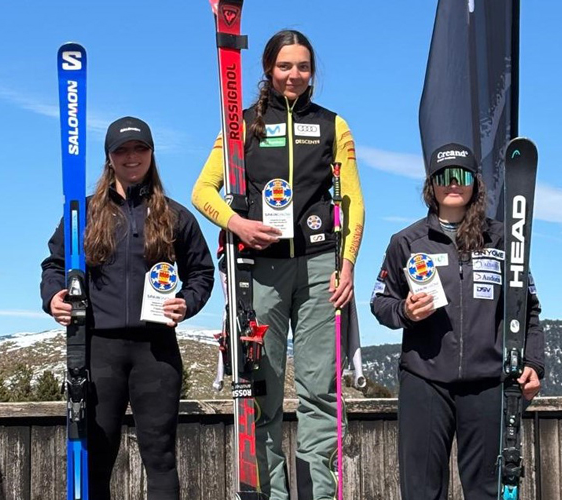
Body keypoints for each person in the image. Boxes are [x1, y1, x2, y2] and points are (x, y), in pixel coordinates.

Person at [192, 29, 365, 500]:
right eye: (285, 66)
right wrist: (238, 225)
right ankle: (272, 494)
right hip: (258, 271)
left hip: (318, 269)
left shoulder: (334, 125)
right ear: (269, 69)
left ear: (312, 72)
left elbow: (352, 201)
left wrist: (346, 264)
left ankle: (320, 495)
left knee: (319, 392)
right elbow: (202, 191)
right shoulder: (241, 124)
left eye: (303, 67)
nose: (294, 75)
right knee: (261, 393)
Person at [40, 116, 215, 500]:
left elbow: (202, 271)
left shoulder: (175, 215)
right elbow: (55, 265)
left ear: (152, 154)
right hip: (98, 348)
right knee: (98, 457)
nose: (131, 157)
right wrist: (53, 296)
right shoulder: (81, 213)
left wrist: (187, 303)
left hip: (156, 352)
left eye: (140, 149)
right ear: (109, 158)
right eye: (122, 150)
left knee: (161, 456)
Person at [370, 143, 545, 500]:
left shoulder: (502, 239)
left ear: (475, 183)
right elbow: (379, 302)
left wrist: (534, 363)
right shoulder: (406, 241)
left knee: (486, 490)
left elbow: (528, 309)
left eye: (462, 175)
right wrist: (405, 310)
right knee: (422, 490)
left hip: (488, 382)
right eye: (443, 176)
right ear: (431, 185)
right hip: (425, 379)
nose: (453, 184)